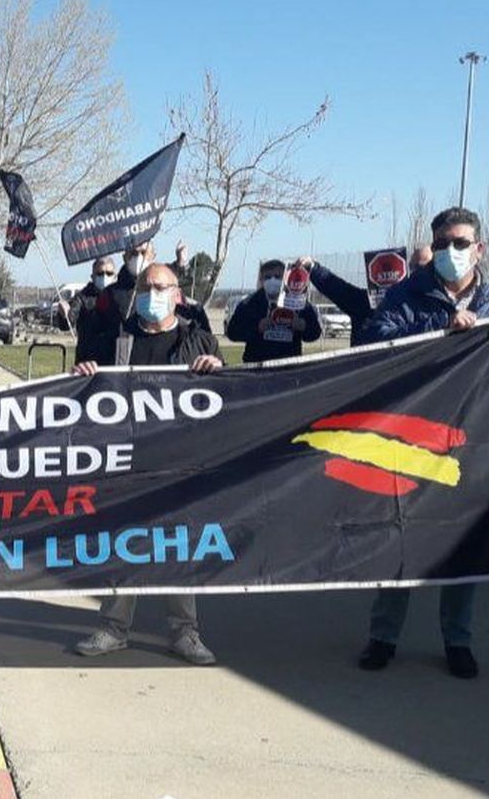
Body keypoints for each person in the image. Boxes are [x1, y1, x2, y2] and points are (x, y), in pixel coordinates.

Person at [353, 207, 489, 680]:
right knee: (399, 535)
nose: (450, 252)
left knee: (466, 541)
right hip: (411, 435)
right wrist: (440, 333)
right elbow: (376, 340)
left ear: (479, 249)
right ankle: (383, 637)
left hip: (473, 441)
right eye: (443, 243)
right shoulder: (409, 294)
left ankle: (457, 641)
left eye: (460, 243)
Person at [69, 263, 222, 666]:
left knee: (178, 546)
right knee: (125, 541)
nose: (153, 293)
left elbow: (225, 397)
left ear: (177, 294)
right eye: (146, 286)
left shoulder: (198, 340)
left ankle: (185, 632)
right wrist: (83, 374)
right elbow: (85, 386)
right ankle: (113, 628)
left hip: (178, 460)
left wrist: (217, 372)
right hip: (127, 459)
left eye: (161, 286)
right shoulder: (116, 339)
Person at [55, 241, 208, 366]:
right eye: (133, 253)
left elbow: (196, 333)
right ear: (125, 257)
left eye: (143, 252)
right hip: (120, 369)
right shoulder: (107, 295)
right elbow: (92, 336)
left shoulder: (175, 295)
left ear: (153, 256)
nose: (138, 257)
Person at [298, 245, 432, 329]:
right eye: (413, 267)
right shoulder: (365, 303)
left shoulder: (436, 306)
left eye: (423, 267)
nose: (417, 273)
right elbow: (337, 288)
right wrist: (313, 269)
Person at [224, 259, 322, 362]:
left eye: (277, 276)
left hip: (289, 367)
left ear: (285, 277)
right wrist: (256, 328)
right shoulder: (249, 303)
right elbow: (232, 332)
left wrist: (302, 326)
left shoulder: (297, 302)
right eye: (268, 277)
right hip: (257, 367)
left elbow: (315, 333)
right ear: (261, 280)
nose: (272, 280)